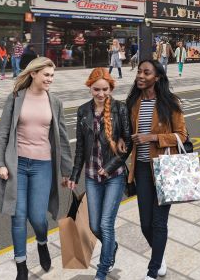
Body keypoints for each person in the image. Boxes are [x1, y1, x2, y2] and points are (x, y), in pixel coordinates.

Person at [0, 57, 72, 280]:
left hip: (42, 165)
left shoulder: (54, 102)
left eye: (52, 76)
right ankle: (21, 267)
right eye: (46, 75)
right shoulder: (15, 98)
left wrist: (67, 171)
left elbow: (62, 138)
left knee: (37, 217)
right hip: (17, 164)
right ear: (33, 74)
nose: (50, 79)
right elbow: (3, 132)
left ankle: (42, 242)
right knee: (18, 216)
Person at [66, 68, 131, 280]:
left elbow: (127, 144)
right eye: (96, 89)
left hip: (114, 176)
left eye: (105, 89)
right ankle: (111, 245)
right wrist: (74, 176)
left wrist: (110, 166)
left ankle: (102, 270)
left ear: (111, 88)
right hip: (92, 176)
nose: (101, 94)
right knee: (94, 226)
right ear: (90, 88)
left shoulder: (120, 109)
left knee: (105, 224)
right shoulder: (83, 111)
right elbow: (80, 148)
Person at [126, 59, 187, 279]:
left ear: (157, 77)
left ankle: (152, 272)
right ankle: (159, 257)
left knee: (159, 223)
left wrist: (152, 138)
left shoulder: (170, 102)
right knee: (145, 223)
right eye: (139, 72)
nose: (140, 76)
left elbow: (182, 135)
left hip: (165, 168)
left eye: (146, 72)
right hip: (141, 169)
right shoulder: (133, 102)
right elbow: (127, 134)